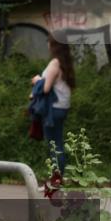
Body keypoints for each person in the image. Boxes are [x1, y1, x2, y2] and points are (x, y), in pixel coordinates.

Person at [32, 30, 75, 172]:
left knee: (54, 145)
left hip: (53, 109)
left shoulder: (55, 63)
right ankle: (58, 176)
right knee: (58, 142)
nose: (48, 45)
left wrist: (37, 80)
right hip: (62, 107)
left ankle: (56, 178)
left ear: (54, 45)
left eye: (49, 42)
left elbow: (46, 88)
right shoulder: (65, 62)